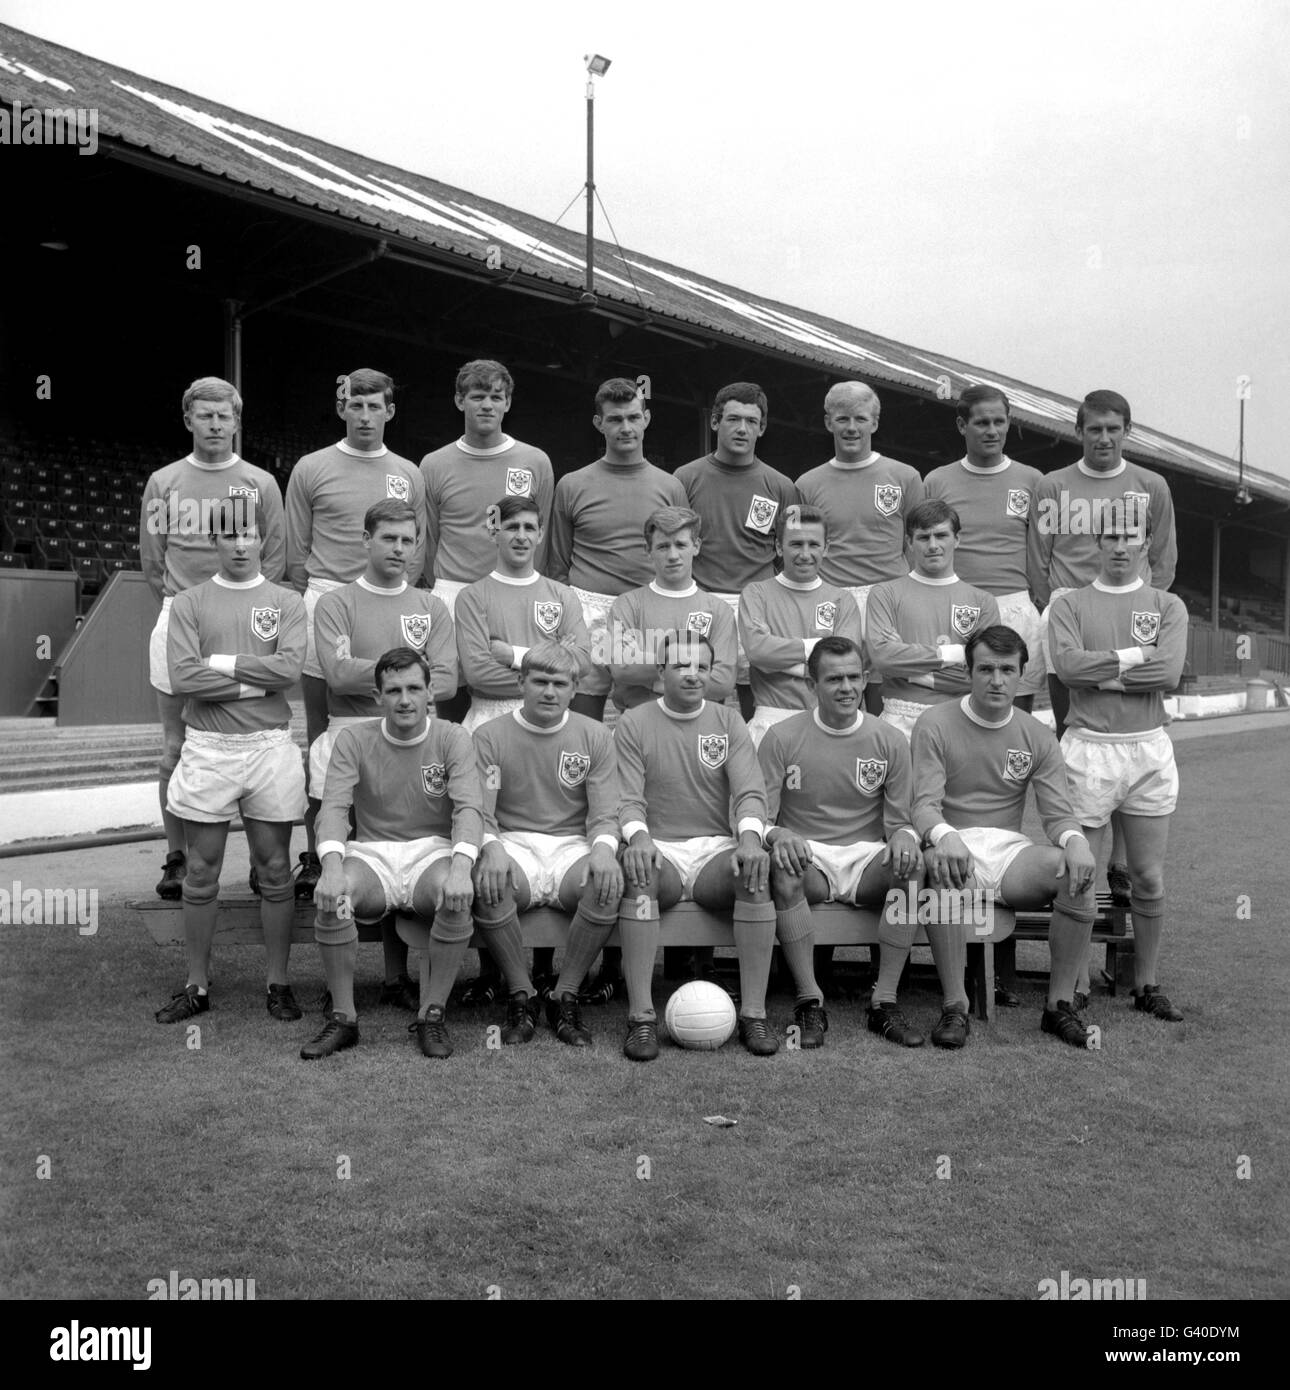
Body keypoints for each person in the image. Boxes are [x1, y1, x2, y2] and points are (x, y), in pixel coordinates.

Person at [1028, 388, 1178, 933]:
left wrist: (1140, 606)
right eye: (1094, 429)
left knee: (1133, 735)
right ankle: (1085, 856)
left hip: (1133, 613)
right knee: (1083, 733)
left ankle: (1120, 862)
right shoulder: (1054, 486)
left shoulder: (1152, 486)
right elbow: (1037, 558)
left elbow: (1163, 557)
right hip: (1074, 616)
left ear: (1127, 431)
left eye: (1114, 429)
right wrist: (1062, 611)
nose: (1104, 438)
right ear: (1080, 431)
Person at [911, 625, 1099, 1049]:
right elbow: (923, 804)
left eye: (1007, 670)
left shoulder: (1036, 734)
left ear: (1021, 674)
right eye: (987, 669)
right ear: (969, 672)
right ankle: (955, 1007)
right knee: (939, 868)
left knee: (1075, 872)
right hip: (952, 843)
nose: (997, 680)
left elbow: (1057, 813)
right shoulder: (935, 723)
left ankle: (1058, 1007)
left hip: (1007, 852)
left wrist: (1076, 841)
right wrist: (944, 835)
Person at [153, 512, 305, 1025]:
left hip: (268, 745)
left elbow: (289, 670)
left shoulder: (286, 601)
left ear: (263, 539)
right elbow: (183, 677)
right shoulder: (191, 602)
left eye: (249, 534)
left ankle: (278, 982)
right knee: (200, 869)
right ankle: (196, 984)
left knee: (276, 869)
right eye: (230, 535)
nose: (241, 545)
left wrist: (217, 663)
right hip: (209, 746)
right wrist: (256, 680)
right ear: (214, 540)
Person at [139, 376, 285, 901]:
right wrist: (190, 605)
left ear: (237, 420)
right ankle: (177, 857)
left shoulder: (261, 484)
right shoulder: (164, 481)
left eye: (224, 416)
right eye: (206, 416)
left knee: (252, 745)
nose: (216, 424)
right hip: (181, 614)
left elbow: (277, 557)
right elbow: (153, 562)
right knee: (176, 748)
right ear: (188, 420)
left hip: (248, 618)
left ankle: (261, 860)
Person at [284, 368, 426, 896]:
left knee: (393, 722)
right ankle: (319, 852)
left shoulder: (408, 472)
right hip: (329, 596)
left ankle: (380, 845)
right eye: (355, 405)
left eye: (375, 406)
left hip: (389, 599)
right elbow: (295, 552)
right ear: (342, 406)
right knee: (324, 734)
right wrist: (329, 596)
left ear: (390, 411)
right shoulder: (311, 466)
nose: (365, 415)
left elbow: (419, 545)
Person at [311, 499, 456, 1012]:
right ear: (365, 540)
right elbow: (336, 673)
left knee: (406, 835)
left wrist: (376, 674)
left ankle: (400, 978)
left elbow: (449, 678)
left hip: (415, 731)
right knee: (361, 848)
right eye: (388, 538)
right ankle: (341, 991)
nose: (399, 549)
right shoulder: (335, 602)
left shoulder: (432, 606)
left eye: (407, 540)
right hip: (353, 731)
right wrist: (405, 676)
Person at [302, 647, 482, 1060]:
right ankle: (344, 1019)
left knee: (453, 898)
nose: (405, 699)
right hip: (373, 856)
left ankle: (432, 1014)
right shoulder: (353, 739)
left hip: (429, 855)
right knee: (336, 901)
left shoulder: (452, 737)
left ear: (429, 691)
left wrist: (460, 866)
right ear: (378, 695)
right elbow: (332, 807)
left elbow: (469, 808)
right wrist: (330, 866)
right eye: (394, 690)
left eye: (414, 688)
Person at [924, 385, 1044, 1003]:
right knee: (954, 740)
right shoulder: (938, 479)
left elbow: (1041, 553)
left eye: (1001, 423)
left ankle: (1001, 961)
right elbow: (924, 539)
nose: (993, 431)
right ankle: (955, 956)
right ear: (962, 425)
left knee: (1009, 758)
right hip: (960, 603)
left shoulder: (1032, 480)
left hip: (1015, 611)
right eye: (982, 422)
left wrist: (1039, 612)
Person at [614, 632, 777, 1060]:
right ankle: (641, 1017)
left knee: (755, 874)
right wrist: (640, 839)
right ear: (660, 673)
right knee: (639, 876)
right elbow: (628, 797)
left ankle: (754, 1014)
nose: (692, 674)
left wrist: (749, 840)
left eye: (702, 667)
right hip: (660, 850)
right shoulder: (634, 722)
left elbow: (749, 793)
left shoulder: (728, 723)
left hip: (713, 855)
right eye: (681, 666)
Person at [1048, 525, 1188, 1022]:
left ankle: (1145, 984)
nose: (1122, 546)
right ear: (1098, 543)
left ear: (1146, 543)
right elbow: (1067, 669)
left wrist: (1100, 672)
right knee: (1080, 875)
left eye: (1132, 536)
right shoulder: (1069, 605)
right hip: (1088, 747)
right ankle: (1078, 983)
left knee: (1147, 876)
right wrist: (1133, 660)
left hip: (1147, 748)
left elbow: (1168, 673)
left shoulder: (1168, 606)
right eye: (1112, 537)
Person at [758, 637, 922, 1048]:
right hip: (809, 857)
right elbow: (757, 817)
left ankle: (883, 1002)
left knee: (913, 867)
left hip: (866, 859)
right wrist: (778, 833)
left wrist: (904, 836)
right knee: (783, 869)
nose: (846, 687)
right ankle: (809, 1000)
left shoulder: (890, 739)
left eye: (853, 677)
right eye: (833, 679)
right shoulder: (780, 737)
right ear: (811, 685)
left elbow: (901, 819)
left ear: (866, 679)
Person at [471, 643, 622, 1048]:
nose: (549, 692)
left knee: (606, 885)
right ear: (521, 683)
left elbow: (605, 810)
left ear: (575, 687)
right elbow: (481, 808)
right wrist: (492, 846)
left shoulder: (595, 736)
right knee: (488, 882)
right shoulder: (489, 737)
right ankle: (522, 996)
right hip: (514, 842)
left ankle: (564, 995)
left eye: (559, 683)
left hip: (572, 845)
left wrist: (604, 850)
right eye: (539, 681)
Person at [547, 378, 688, 722]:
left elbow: (681, 560)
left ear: (646, 419)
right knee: (580, 720)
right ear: (599, 423)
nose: (625, 427)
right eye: (614, 419)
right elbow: (557, 561)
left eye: (633, 417)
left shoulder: (670, 486)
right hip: (588, 610)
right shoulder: (572, 484)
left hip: (645, 613)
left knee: (648, 724)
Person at [795, 380, 923, 712]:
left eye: (861, 419)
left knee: (888, 697)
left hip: (889, 597)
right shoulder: (806, 484)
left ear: (875, 423)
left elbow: (917, 543)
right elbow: (802, 550)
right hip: (834, 599)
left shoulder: (905, 476)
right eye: (842, 418)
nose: (852, 427)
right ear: (828, 422)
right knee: (838, 690)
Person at [675, 383, 800, 719]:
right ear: (715, 422)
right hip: (701, 601)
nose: (741, 428)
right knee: (699, 701)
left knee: (760, 706)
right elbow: (675, 545)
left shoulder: (781, 486)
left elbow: (789, 554)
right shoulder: (684, 479)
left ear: (762, 428)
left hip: (756, 604)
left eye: (750, 421)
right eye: (732, 419)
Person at [419, 360, 554, 620]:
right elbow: (428, 538)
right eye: (478, 397)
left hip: (515, 590)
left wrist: (527, 585)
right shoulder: (433, 464)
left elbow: (543, 538)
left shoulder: (536, 462)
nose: (487, 405)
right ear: (460, 401)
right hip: (452, 592)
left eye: (496, 397)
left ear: (508, 403)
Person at [867, 499, 1000, 740]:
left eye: (941, 536)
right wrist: (958, 653)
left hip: (961, 719)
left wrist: (906, 667)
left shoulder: (983, 601)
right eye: (923, 537)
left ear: (957, 539)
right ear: (908, 542)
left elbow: (984, 672)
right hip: (900, 720)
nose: (933, 545)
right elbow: (883, 659)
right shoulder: (885, 593)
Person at [456, 495, 591, 734]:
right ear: (493, 533)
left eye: (529, 528)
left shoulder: (562, 595)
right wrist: (556, 662)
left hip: (552, 721)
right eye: (511, 527)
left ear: (540, 535)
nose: (521, 536)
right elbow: (478, 673)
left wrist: (513, 655)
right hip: (488, 719)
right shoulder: (471, 597)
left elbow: (581, 661)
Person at [738, 505, 862, 747]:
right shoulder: (756, 594)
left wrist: (776, 661)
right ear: (778, 547)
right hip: (771, 718)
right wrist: (819, 649)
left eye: (813, 545)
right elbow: (757, 651)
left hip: (830, 721)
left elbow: (843, 664)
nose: (805, 554)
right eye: (796, 544)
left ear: (826, 548)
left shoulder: (842, 600)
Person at [605, 505, 737, 713]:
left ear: (696, 546)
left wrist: (654, 676)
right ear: (648, 551)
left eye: (680, 545)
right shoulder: (627, 604)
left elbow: (723, 681)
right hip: (639, 725)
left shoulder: (719, 611)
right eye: (663, 546)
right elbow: (620, 668)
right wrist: (695, 670)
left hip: (700, 726)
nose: (673, 555)